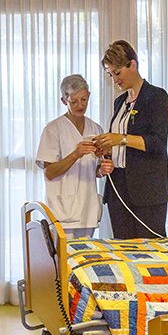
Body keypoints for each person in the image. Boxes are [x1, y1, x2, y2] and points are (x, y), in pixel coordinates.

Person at [91, 40, 168, 239]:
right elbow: (121, 146)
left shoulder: (156, 97)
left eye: (117, 73)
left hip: (147, 191)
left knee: (150, 251)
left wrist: (120, 139)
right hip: (118, 189)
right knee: (123, 250)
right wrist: (106, 151)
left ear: (133, 65)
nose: (114, 80)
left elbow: (157, 144)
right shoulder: (120, 102)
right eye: (110, 75)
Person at [34, 74, 105, 238]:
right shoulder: (53, 129)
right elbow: (49, 172)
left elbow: (94, 170)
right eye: (74, 102)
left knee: (87, 253)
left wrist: (103, 170)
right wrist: (75, 154)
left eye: (84, 99)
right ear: (64, 101)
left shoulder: (95, 129)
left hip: (88, 210)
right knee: (63, 254)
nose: (80, 105)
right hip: (63, 211)